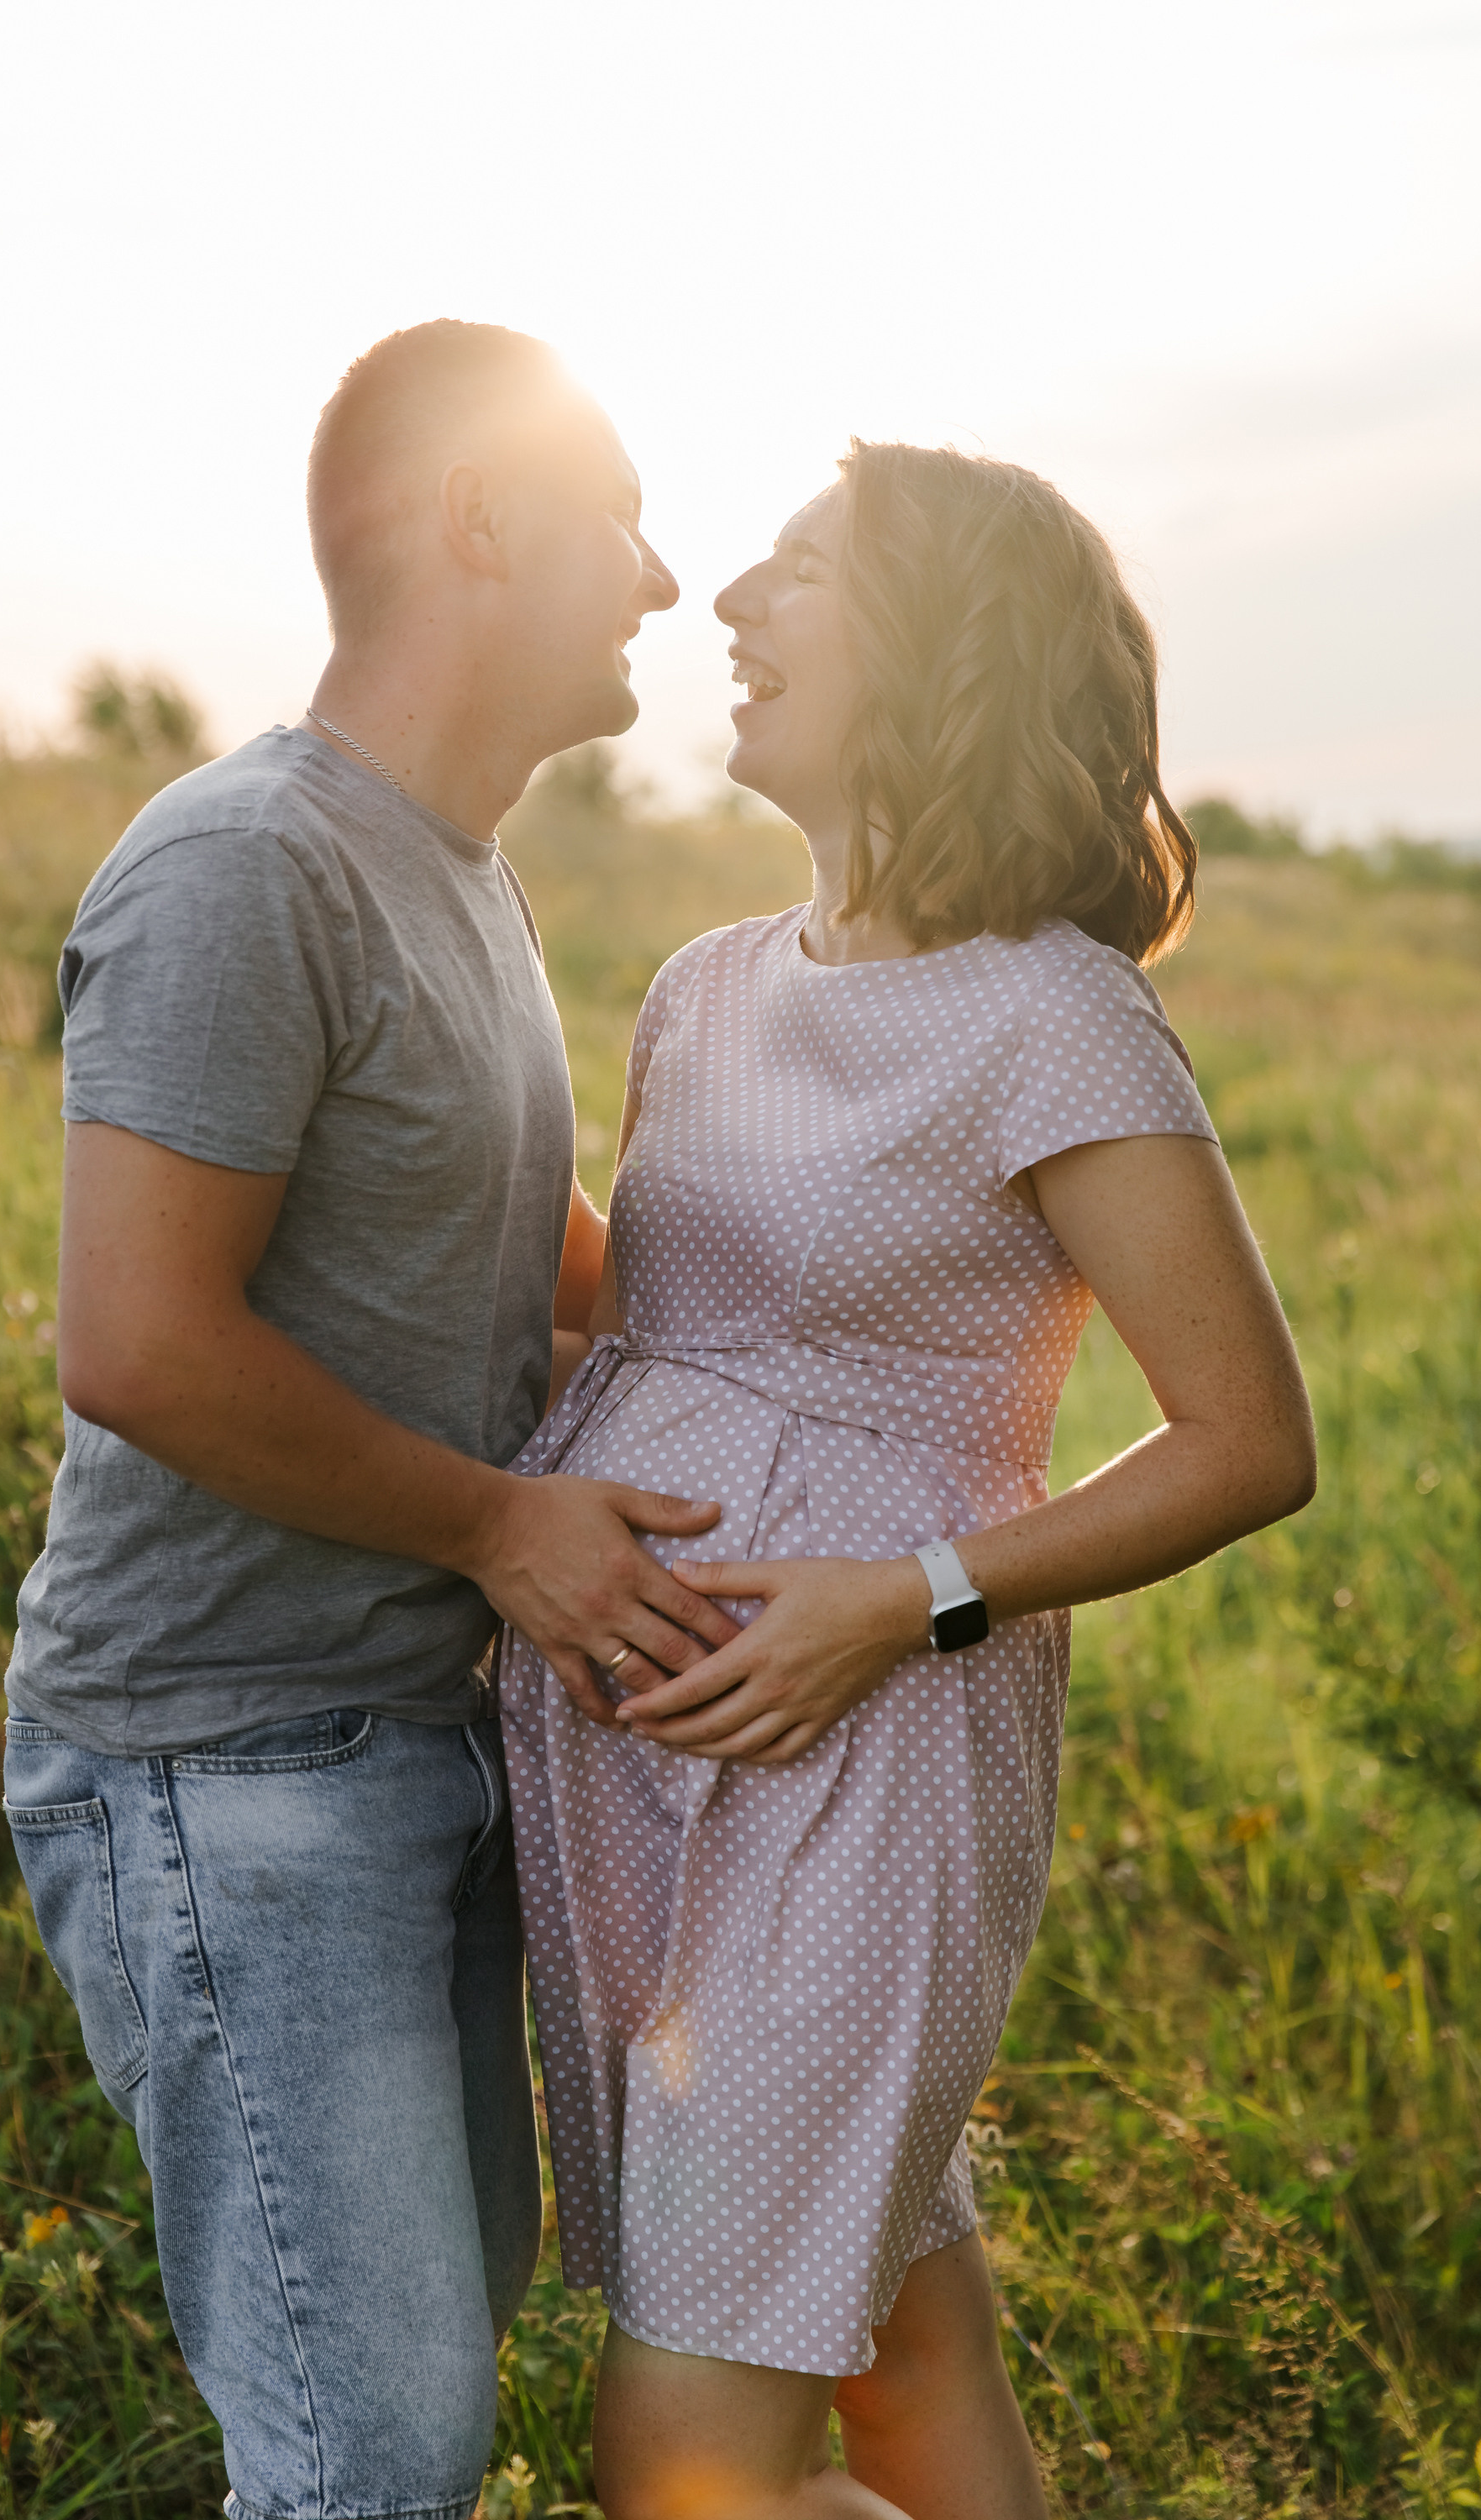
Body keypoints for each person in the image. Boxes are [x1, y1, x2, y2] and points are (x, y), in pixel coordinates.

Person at [499, 441, 1318, 2520]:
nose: (727, 609)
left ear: (940, 645)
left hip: (858, 1758)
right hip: (644, 1762)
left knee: (685, 2447)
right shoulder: (705, 986)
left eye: (796, 571)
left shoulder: (1053, 1015)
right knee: (905, 2369)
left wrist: (904, 1597)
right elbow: (662, 1329)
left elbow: (1246, 1441)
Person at [0, 320, 743, 2520]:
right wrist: (505, 1527)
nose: (665, 577)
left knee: (414, 2405)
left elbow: (529, 1241)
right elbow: (136, 1339)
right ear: (481, 523)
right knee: (374, 2459)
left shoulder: (464, 875)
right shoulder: (248, 865)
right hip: (224, 1756)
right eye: (616, 512)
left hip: (417, 1742)